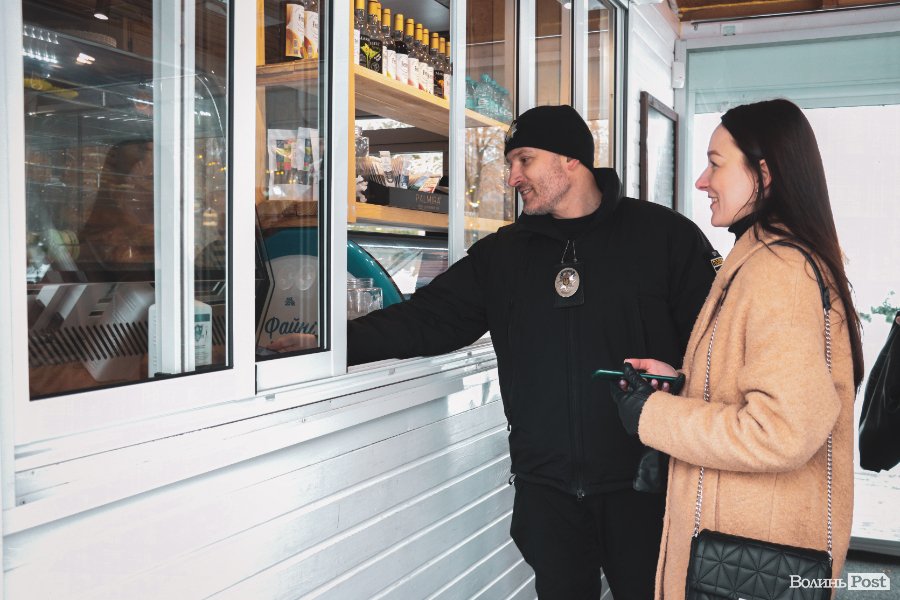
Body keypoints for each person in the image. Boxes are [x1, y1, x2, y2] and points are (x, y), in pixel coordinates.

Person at [271, 105, 717, 599]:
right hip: (547, 490)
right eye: (509, 163)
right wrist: (336, 343)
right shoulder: (503, 255)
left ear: (570, 159)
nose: (512, 177)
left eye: (524, 160)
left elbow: (714, 345)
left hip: (644, 485)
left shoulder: (662, 237)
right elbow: (427, 320)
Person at [610, 98, 864, 599]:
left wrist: (652, 415)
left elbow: (782, 430)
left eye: (715, 164)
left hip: (746, 563)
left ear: (763, 175)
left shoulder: (780, 270)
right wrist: (682, 384)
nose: (702, 181)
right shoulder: (761, 258)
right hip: (740, 549)